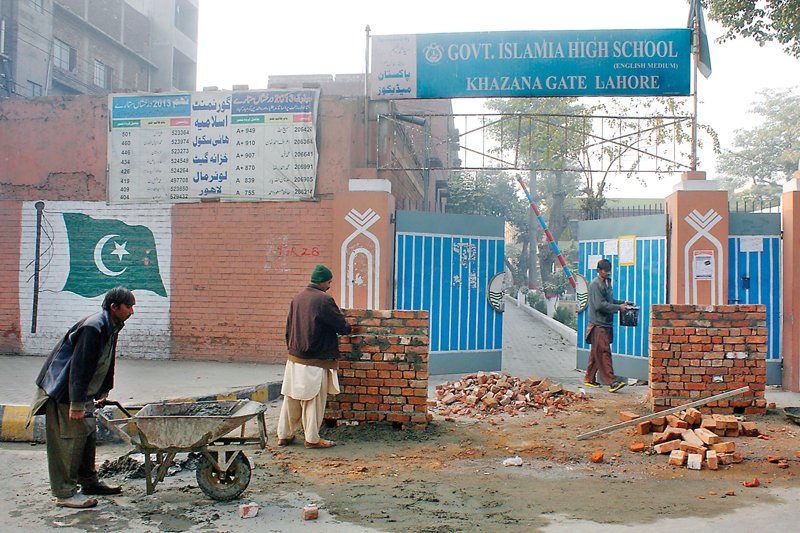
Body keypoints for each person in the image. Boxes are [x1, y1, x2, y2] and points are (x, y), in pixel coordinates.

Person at [27, 287, 135, 509]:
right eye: (129, 306)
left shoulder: (110, 326)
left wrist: (102, 392)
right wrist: (76, 404)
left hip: (81, 393)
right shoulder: (93, 327)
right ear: (114, 307)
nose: (132, 311)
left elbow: (105, 361)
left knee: (86, 436)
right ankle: (65, 493)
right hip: (63, 392)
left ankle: (89, 481)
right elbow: (79, 368)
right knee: (68, 441)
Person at [277, 264, 351, 449]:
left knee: (291, 399)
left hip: (294, 358)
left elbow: (288, 328)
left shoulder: (297, 298)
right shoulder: (324, 300)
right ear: (322, 282)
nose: (329, 285)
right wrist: (350, 328)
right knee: (314, 401)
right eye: (329, 282)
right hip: (316, 359)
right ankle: (312, 439)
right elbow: (342, 327)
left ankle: (284, 435)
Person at [584, 259, 632, 393]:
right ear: (599, 270)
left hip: (605, 323)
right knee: (604, 352)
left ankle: (588, 378)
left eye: (609, 270)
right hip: (598, 324)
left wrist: (624, 303)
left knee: (596, 352)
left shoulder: (606, 282)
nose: (608, 273)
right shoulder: (595, 285)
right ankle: (612, 382)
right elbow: (600, 305)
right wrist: (618, 308)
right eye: (605, 271)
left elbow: (609, 301)